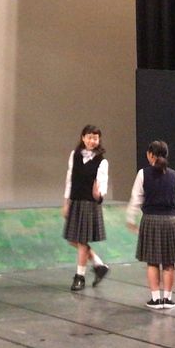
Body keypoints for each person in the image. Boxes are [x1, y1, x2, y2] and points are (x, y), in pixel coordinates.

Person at [127, 140, 175, 309]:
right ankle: (168, 299)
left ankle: (156, 299)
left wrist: (131, 219)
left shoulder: (143, 174)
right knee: (169, 263)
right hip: (171, 221)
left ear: (150, 155)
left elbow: (136, 198)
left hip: (150, 219)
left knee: (152, 262)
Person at [61, 124, 111, 290]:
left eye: (95, 138)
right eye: (89, 137)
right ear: (83, 138)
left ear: (99, 140)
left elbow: (103, 184)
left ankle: (80, 277)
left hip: (89, 204)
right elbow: (69, 179)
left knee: (82, 242)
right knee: (72, 239)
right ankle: (98, 264)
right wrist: (66, 202)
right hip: (76, 202)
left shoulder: (102, 161)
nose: (92, 141)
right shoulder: (74, 155)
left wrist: (99, 194)